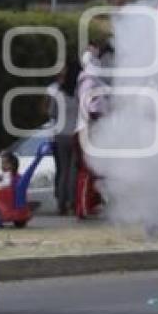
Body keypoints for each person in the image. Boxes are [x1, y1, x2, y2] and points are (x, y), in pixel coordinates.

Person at [74, 43, 111, 219]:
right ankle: (83, 208)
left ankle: (92, 204)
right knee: (87, 171)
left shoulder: (92, 81)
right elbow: (91, 107)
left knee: (95, 170)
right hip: (88, 129)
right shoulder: (89, 82)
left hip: (92, 128)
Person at [45, 62, 79, 215]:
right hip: (74, 133)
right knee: (73, 170)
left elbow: (51, 113)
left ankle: (61, 203)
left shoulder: (58, 93)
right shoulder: (79, 92)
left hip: (60, 134)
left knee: (62, 169)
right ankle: (72, 202)